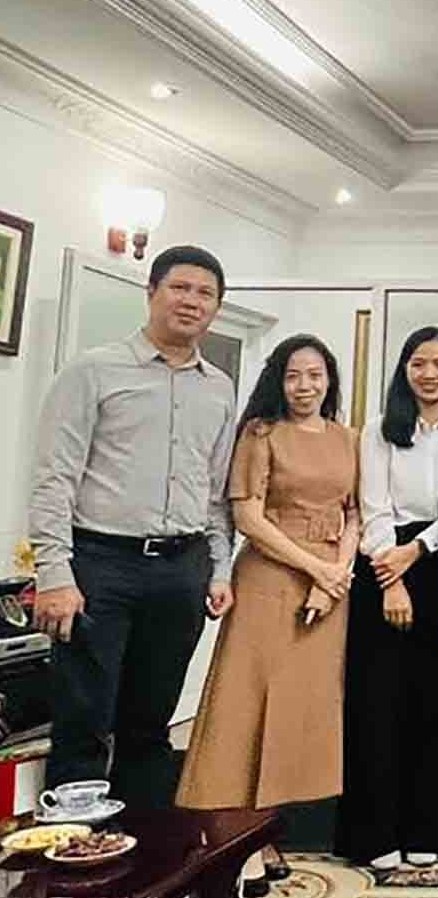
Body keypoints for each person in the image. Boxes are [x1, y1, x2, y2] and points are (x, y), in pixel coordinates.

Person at [28, 245, 236, 810]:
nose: (191, 301)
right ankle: (75, 846)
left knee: (152, 721)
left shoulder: (219, 388)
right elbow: (54, 478)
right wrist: (54, 572)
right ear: (151, 293)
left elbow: (215, 493)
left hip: (183, 568)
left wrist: (219, 568)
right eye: (180, 287)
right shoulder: (93, 370)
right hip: (101, 564)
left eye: (205, 293)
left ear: (216, 308)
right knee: (84, 718)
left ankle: (143, 847)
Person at [176, 334, 358, 891]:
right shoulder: (260, 434)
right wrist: (316, 569)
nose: (305, 386)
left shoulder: (347, 437)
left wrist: (335, 576)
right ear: (279, 380)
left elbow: (355, 513)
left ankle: (267, 831)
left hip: (328, 588)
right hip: (270, 578)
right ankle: (235, 839)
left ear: (329, 380)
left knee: (297, 715)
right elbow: (249, 519)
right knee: (246, 707)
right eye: (293, 375)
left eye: (315, 375)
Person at [336, 327, 438, 872]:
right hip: (382, 565)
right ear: (405, 369)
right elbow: (372, 507)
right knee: (379, 706)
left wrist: (418, 551)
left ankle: (427, 828)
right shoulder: (378, 430)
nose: (429, 374)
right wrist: (391, 579)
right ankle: (375, 832)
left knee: (437, 706)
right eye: (419, 363)